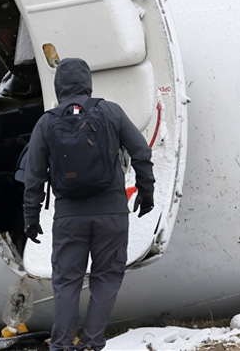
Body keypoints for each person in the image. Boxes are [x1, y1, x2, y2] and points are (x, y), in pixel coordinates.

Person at [22, 58, 155, 351]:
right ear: (87, 82)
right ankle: (93, 343)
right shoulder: (110, 111)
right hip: (112, 213)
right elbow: (141, 152)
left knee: (67, 281)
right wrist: (147, 193)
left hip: (69, 216)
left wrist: (30, 218)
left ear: (58, 86)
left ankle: (62, 344)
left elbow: (33, 175)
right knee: (106, 278)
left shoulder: (47, 122)